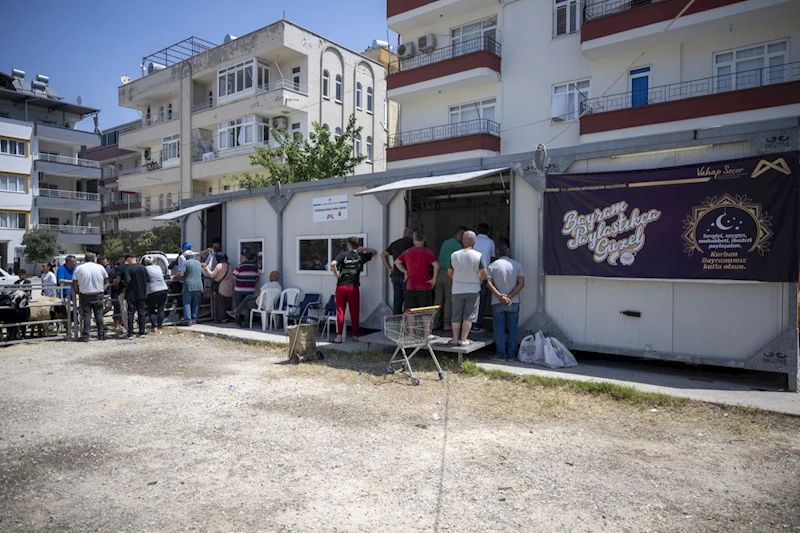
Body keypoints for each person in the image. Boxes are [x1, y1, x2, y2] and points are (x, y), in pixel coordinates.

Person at [330, 237, 377, 343]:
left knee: (340, 312)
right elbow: (374, 252)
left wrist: (336, 275)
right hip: (353, 287)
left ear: (348, 245)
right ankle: (355, 336)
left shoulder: (343, 255)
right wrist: (363, 249)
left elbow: (333, 264)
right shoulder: (360, 256)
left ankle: (338, 337)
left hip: (341, 287)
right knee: (354, 312)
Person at [448, 231, 487, 347]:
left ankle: (454, 339)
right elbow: (484, 273)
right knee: (469, 315)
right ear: (474, 242)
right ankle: (464, 339)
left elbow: (450, 272)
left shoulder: (454, 255)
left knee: (456, 314)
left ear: (462, 241)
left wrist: (457, 279)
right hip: (473, 288)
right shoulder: (478, 256)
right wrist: (479, 281)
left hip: (457, 289)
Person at [486, 244, 525, 361]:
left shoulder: (492, 266)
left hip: (497, 302)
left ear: (497, 253)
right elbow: (521, 283)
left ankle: (501, 354)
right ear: (508, 252)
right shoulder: (517, 265)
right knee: (513, 329)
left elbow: (488, 283)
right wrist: (510, 296)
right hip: (514, 301)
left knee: (499, 329)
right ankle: (512, 354)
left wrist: (500, 296)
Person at [395, 231, 439, 309]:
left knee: (411, 313)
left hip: (411, 286)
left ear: (413, 239)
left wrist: (405, 271)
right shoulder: (428, 252)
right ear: (424, 239)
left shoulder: (407, 252)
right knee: (425, 312)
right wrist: (434, 279)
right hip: (424, 286)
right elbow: (436, 265)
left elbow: (397, 262)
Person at [434, 226, 466, 330]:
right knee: (449, 300)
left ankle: (434, 323)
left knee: (438, 300)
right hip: (450, 274)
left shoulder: (446, 243)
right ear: (461, 235)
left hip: (439, 274)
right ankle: (446, 324)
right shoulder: (458, 246)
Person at [72, 253, 109, 342]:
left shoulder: (79, 268)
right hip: (98, 293)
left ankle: (86, 335)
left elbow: (74, 281)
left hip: (85, 294)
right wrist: (102, 289)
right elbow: (106, 281)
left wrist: (78, 291)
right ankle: (101, 334)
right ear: (94, 259)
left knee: (86, 315)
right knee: (99, 314)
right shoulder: (100, 267)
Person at [381, 227, 414, 314]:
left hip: (395, 275)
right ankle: (407, 322)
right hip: (407, 275)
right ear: (411, 235)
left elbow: (383, 255)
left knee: (397, 301)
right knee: (408, 301)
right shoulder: (412, 244)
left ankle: (397, 323)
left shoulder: (395, 243)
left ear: (404, 233)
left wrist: (389, 268)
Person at [473, 223, 496, 332]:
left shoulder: (473, 241)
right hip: (484, 274)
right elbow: (492, 259)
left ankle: (469, 324)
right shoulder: (490, 242)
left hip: (472, 274)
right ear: (488, 231)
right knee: (481, 300)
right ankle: (477, 324)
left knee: (471, 299)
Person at [172, 250, 203, 325]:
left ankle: (188, 320)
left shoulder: (186, 263)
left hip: (188, 286)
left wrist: (174, 277)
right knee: (196, 303)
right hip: (199, 286)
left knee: (187, 303)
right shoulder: (198, 263)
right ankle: (194, 319)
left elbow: (181, 274)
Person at [122, 253, 149, 338]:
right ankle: (142, 331)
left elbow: (127, 281)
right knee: (141, 312)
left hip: (131, 293)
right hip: (142, 293)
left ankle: (130, 333)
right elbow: (148, 279)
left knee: (131, 313)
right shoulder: (143, 267)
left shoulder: (128, 269)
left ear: (129, 259)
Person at [203, 252, 233, 323]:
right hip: (229, 287)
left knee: (220, 304)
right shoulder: (229, 266)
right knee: (227, 303)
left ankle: (221, 319)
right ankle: (227, 318)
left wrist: (206, 268)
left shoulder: (219, 266)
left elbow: (212, 275)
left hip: (221, 287)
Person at [144, 257, 169, 334]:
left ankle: (154, 327)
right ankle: (160, 327)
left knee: (151, 310)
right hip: (164, 288)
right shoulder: (158, 267)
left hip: (153, 290)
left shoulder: (145, 269)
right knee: (161, 308)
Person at [112, 254, 128, 331]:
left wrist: (114, 281)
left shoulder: (119, 268)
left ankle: (126, 327)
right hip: (133, 290)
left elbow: (117, 280)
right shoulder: (133, 266)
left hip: (122, 290)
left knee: (124, 309)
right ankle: (134, 324)